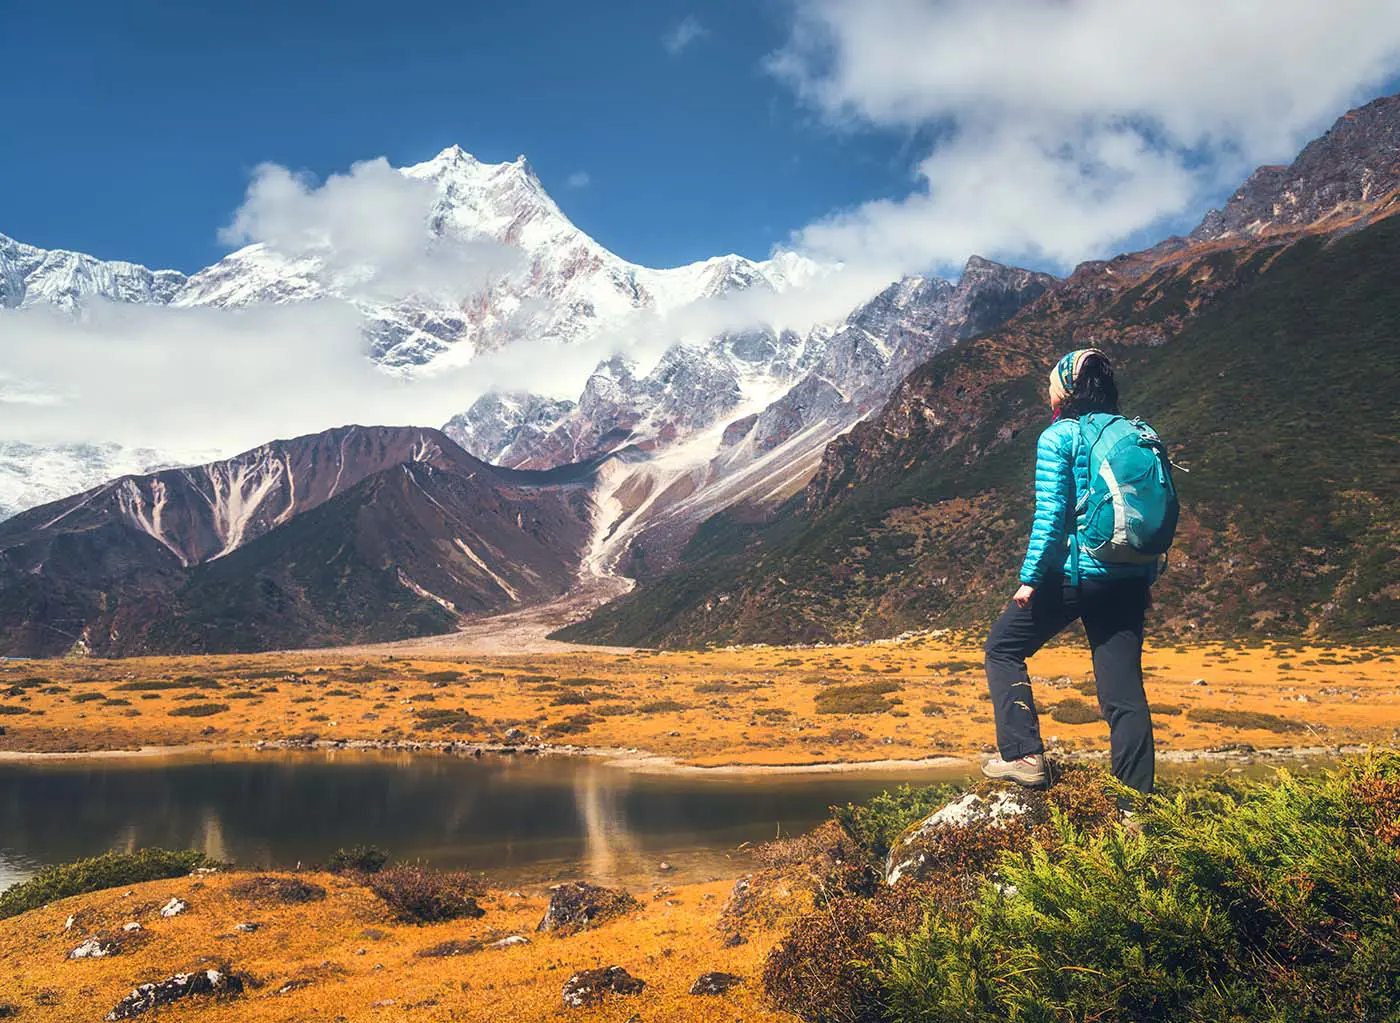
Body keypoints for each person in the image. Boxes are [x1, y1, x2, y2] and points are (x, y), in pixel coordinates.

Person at [981, 348, 1156, 794]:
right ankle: (1137, 806)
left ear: (1065, 389)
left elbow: (1051, 516)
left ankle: (1023, 755)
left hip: (1079, 575)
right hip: (1129, 579)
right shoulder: (1136, 433)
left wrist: (1031, 579)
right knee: (1124, 695)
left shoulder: (1059, 437)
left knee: (1003, 648)